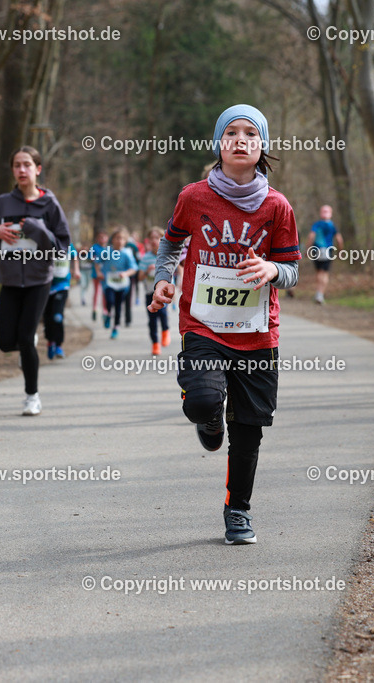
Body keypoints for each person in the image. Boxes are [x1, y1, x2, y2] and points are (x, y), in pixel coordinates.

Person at [149, 104, 300, 544]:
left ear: (262, 146)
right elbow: (170, 245)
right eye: (231, 132)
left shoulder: (277, 206)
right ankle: (209, 419)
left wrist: (272, 270)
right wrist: (163, 280)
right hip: (204, 325)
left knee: (249, 431)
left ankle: (238, 511)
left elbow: (292, 270)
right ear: (219, 143)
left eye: (250, 133)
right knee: (201, 401)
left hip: (257, 333)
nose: (240, 140)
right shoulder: (193, 197)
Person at [0, 146, 71, 416]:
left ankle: (32, 397)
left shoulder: (49, 204)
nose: (22, 170)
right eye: (17, 165)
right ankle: (26, 342)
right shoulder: (3, 203)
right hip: (9, 279)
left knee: (24, 337)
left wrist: (39, 229)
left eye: (27, 165)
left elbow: (62, 246)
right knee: (5, 342)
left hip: (38, 280)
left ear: (37, 169)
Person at [44, 240, 80, 360]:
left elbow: (74, 256)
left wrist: (76, 270)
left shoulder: (67, 243)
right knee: (48, 316)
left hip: (62, 285)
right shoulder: (45, 240)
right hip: (45, 285)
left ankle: (59, 345)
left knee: (57, 315)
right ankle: (50, 341)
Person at [100, 228, 138, 339]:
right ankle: (108, 314)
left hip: (122, 284)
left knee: (118, 306)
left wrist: (126, 273)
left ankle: (115, 327)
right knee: (110, 301)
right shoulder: (107, 252)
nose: (119, 241)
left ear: (125, 241)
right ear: (112, 239)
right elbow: (97, 262)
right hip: (109, 283)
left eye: (122, 238)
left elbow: (134, 268)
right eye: (117, 238)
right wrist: (98, 272)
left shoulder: (127, 253)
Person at [138, 228, 171, 355]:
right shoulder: (145, 258)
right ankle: (155, 344)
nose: (154, 240)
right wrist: (147, 271)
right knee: (152, 319)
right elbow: (140, 277)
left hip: (163, 292)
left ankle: (165, 331)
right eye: (151, 238)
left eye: (157, 238)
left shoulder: (166, 255)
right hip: (149, 293)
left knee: (162, 313)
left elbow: (173, 271)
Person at [307, 204, 343, 304]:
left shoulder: (317, 224)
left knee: (319, 272)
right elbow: (339, 240)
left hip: (317, 249)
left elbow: (311, 236)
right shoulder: (332, 226)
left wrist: (307, 249)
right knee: (325, 272)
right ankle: (321, 294)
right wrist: (340, 251)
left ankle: (318, 293)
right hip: (328, 250)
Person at [89, 232, 109, 321]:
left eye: (104, 237)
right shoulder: (94, 247)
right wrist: (95, 259)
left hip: (105, 274)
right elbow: (90, 257)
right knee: (96, 291)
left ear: (107, 238)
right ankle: (94, 309)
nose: (102, 239)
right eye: (100, 237)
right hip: (96, 273)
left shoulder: (109, 248)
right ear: (97, 238)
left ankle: (104, 310)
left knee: (105, 292)